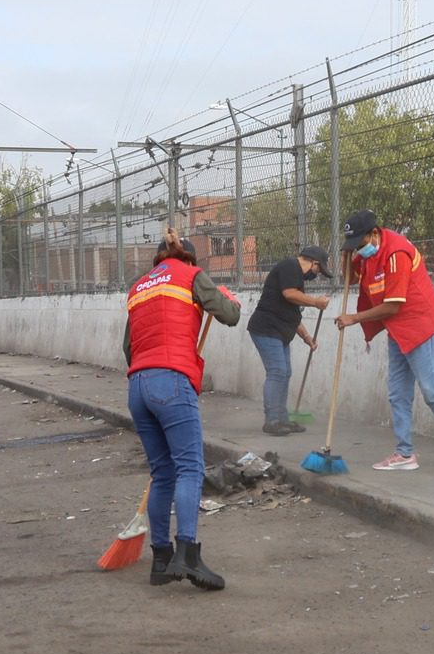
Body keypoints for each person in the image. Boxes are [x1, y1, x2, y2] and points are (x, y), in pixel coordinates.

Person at [124, 228, 241, 590]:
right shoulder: (192, 275)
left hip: (138, 386)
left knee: (163, 472)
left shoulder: (138, 287)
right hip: (171, 379)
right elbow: (230, 315)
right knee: (190, 468)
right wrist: (224, 297)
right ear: (189, 258)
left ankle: (160, 559)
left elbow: (128, 347)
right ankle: (187, 555)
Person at [335, 209, 434, 472]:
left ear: (374, 234)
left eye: (359, 244)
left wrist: (354, 318)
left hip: (420, 326)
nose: (358, 250)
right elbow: (349, 280)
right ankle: (405, 453)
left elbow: (393, 306)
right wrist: (346, 255)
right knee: (398, 392)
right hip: (397, 330)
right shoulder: (367, 252)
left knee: (430, 390)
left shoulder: (396, 253)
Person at [247, 245, 331, 436]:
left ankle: (282, 419)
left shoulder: (296, 278)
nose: (317, 274)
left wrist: (307, 337)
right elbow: (289, 295)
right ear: (314, 263)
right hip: (266, 329)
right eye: (319, 270)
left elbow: (293, 314)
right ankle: (272, 420)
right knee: (277, 371)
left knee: (285, 372)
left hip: (279, 331)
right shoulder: (289, 267)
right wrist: (315, 302)